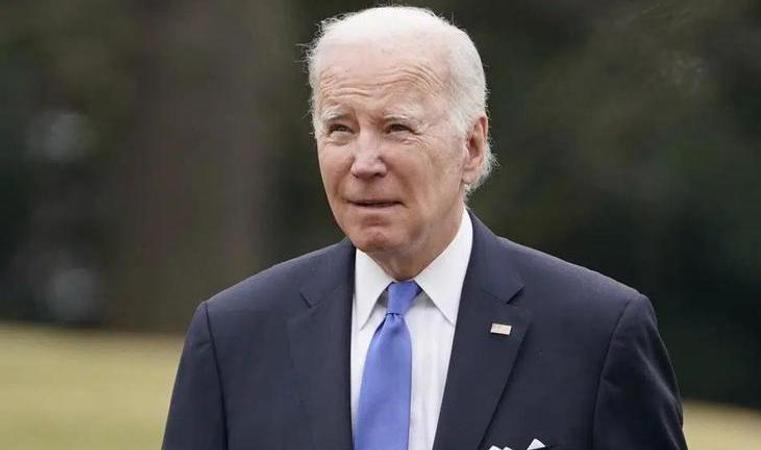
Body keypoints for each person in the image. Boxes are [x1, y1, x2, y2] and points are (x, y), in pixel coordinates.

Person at [162, 6, 687, 450]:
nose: (364, 161)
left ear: (472, 146)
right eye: (340, 129)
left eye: (397, 128)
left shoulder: (596, 335)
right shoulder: (235, 334)